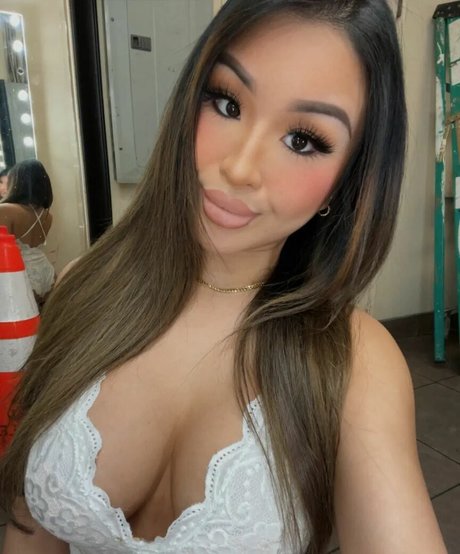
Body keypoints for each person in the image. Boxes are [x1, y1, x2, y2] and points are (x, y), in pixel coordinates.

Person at [0, 1, 448, 553]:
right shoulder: (83, 287)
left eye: (303, 140)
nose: (240, 167)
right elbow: (30, 529)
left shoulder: (355, 364)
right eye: (228, 103)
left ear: (348, 179)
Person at [0, 159, 55, 304]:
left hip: (19, 273)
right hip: (45, 272)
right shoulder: (47, 216)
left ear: (17, 183)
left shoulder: (6, 210)